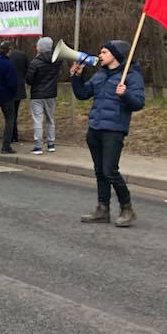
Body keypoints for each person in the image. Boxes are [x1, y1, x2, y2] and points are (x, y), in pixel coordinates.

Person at [71, 40, 145, 227]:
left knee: (110, 171)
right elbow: (82, 94)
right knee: (100, 172)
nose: (100, 55)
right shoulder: (100, 74)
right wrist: (76, 77)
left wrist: (125, 94)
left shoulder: (131, 76)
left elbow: (138, 103)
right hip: (95, 129)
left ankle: (126, 208)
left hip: (114, 130)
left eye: (104, 52)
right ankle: (102, 209)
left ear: (115, 55)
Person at [26, 36, 61, 154]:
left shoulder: (35, 62)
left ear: (40, 48)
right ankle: (51, 144)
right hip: (51, 94)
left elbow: (29, 80)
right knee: (50, 119)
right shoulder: (57, 60)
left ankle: (38, 146)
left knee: (38, 120)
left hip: (37, 95)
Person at [9, 43, 29, 143]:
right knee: (15, 113)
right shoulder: (22, 55)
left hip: (8, 90)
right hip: (19, 89)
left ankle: (11, 135)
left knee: (9, 114)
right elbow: (27, 70)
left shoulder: (7, 57)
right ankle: (14, 135)